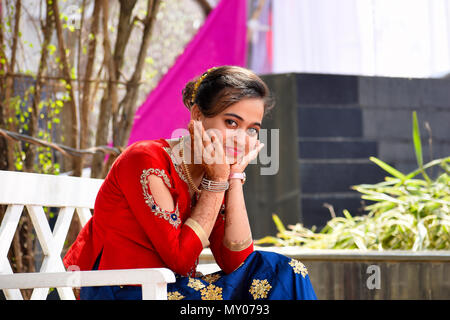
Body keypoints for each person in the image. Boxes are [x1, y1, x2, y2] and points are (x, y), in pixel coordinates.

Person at [63, 65, 317, 300]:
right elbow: (181, 260)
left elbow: (237, 262)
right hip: (122, 290)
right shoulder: (146, 159)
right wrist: (218, 181)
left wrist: (234, 178)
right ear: (197, 116)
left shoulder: (212, 172)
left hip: (175, 289)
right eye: (231, 122)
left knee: (284, 272)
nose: (242, 139)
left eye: (252, 129)